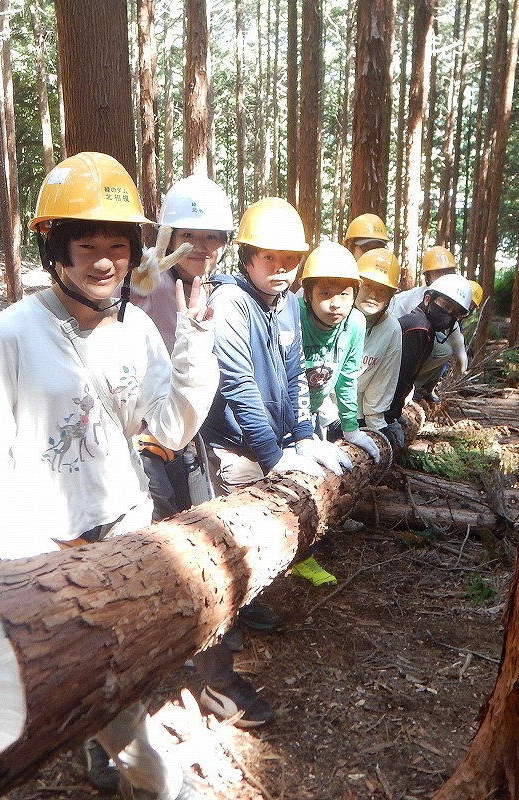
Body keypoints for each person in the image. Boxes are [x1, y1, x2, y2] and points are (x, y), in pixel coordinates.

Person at [0, 151, 214, 800]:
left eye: (116, 245)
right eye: (86, 245)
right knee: (101, 682)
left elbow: (171, 427)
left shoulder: (136, 333)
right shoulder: (15, 331)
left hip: (125, 526)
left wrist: (194, 340)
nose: (104, 261)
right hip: (45, 544)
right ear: (55, 249)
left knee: (119, 671)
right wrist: (10, 549)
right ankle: (169, 789)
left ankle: (102, 754)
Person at [197, 197, 351, 727]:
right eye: (272, 259)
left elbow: (291, 373)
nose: (283, 269)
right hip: (233, 444)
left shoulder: (284, 303)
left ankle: (245, 602)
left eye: (291, 259)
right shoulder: (231, 303)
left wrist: (303, 437)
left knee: (263, 537)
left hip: (273, 439)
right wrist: (272, 454)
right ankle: (225, 625)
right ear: (248, 257)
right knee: (232, 536)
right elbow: (237, 385)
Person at [130, 174, 234, 520]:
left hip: (178, 425)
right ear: (168, 238)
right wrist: (142, 272)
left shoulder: (198, 288)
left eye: (211, 237)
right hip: (145, 432)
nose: (199, 247)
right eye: (187, 236)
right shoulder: (154, 280)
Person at [293, 240, 379, 588]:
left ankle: (305, 549)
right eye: (326, 292)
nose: (336, 303)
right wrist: (296, 435)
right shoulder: (292, 315)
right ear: (308, 293)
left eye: (345, 293)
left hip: (313, 414)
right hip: (282, 415)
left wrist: (352, 428)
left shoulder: (355, 323)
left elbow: (346, 378)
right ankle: (297, 556)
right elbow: (286, 376)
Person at [389, 246, 475, 403]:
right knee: (439, 348)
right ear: (427, 275)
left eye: (447, 271)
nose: (443, 276)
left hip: (406, 338)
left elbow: (454, 330)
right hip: (394, 338)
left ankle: (425, 388)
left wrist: (460, 355)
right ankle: (407, 387)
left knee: (442, 346)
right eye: (438, 272)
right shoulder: (419, 298)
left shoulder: (443, 297)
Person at [351, 248, 407, 453]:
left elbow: (383, 382)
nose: (373, 295)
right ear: (356, 285)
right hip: (323, 412)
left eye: (383, 289)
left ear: (392, 295)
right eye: (367, 286)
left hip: (357, 415)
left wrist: (377, 426)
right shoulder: (335, 316)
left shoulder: (392, 329)